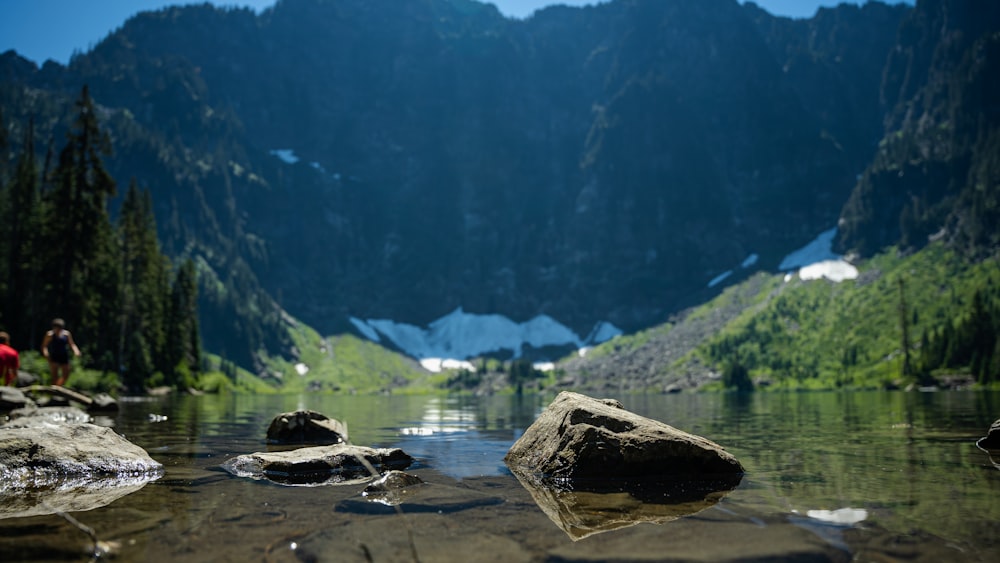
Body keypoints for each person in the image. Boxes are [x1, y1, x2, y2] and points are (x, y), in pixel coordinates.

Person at [42, 318, 81, 387]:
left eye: (59, 329)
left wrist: (76, 351)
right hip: (54, 356)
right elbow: (44, 346)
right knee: (54, 375)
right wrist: (46, 354)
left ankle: (58, 386)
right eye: (56, 328)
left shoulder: (66, 334)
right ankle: (53, 390)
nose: (58, 330)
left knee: (66, 374)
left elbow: (72, 344)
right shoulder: (49, 335)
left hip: (64, 356)